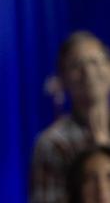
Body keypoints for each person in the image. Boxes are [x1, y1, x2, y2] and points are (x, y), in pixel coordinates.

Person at [31, 32, 110, 203]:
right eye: (76, 65)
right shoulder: (53, 144)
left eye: (95, 61)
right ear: (62, 79)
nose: (88, 72)